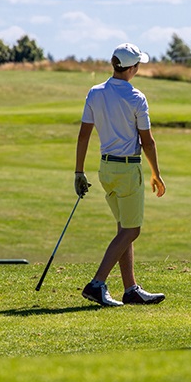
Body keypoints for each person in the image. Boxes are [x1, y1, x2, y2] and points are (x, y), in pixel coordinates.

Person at [73, 43, 167, 307]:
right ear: (133, 68)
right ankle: (97, 283)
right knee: (132, 229)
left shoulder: (95, 93)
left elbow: (83, 135)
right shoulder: (136, 98)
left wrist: (79, 171)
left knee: (122, 227)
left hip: (106, 169)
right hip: (127, 168)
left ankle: (130, 290)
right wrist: (156, 173)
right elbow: (147, 142)